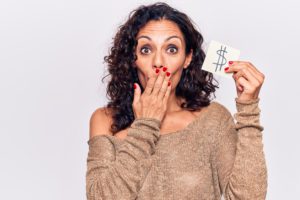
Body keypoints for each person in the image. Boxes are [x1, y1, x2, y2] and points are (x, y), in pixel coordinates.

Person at [86, 2, 267, 200]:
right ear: (132, 58)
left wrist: (248, 108)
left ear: (187, 58)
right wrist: (145, 125)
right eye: (146, 49)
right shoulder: (104, 120)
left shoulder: (213, 118)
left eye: (171, 49)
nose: (158, 62)